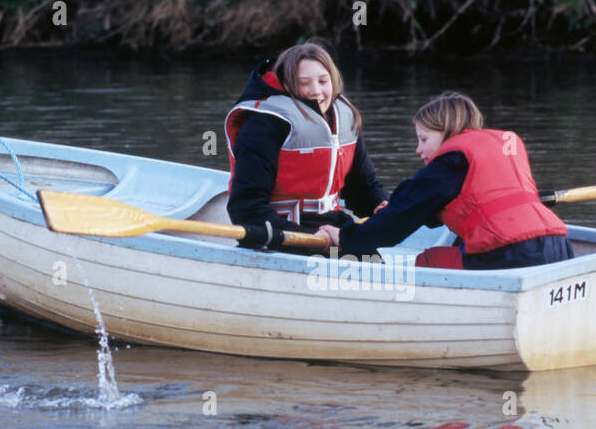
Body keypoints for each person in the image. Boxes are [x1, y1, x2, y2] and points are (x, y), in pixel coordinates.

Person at [318, 92, 572, 270]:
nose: (419, 149)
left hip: (511, 254)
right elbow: (445, 206)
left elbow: (394, 226)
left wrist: (345, 237)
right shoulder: (503, 145)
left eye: (424, 139)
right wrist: (393, 209)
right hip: (560, 247)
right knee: (462, 243)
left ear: (448, 131)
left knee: (429, 261)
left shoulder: (451, 161)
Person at [225, 42, 389, 251]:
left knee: (373, 264)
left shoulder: (344, 117)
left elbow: (363, 187)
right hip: (280, 233)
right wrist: (310, 236)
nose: (316, 91)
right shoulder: (263, 124)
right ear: (288, 84)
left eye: (323, 81)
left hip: (331, 226)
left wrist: (380, 205)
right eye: (304, 83)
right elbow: (246, 208)